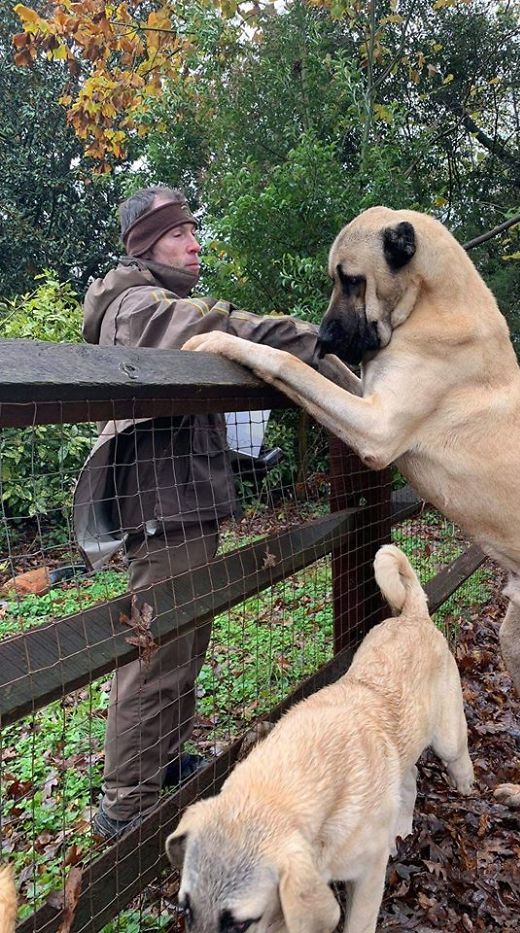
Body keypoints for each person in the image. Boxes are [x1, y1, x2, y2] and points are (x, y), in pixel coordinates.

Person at [73, 186, 328, 839]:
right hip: (162, 508)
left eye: (193, 230)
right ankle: (124, 803)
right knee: (155, 650)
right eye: (179, 233)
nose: (195, 243)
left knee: (186, 641)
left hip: (187, 499)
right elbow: (219, 331)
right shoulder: (137, 305)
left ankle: (163, 763)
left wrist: (239, 450)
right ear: (146, 245)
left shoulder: (156, 302)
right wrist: (316, 338)